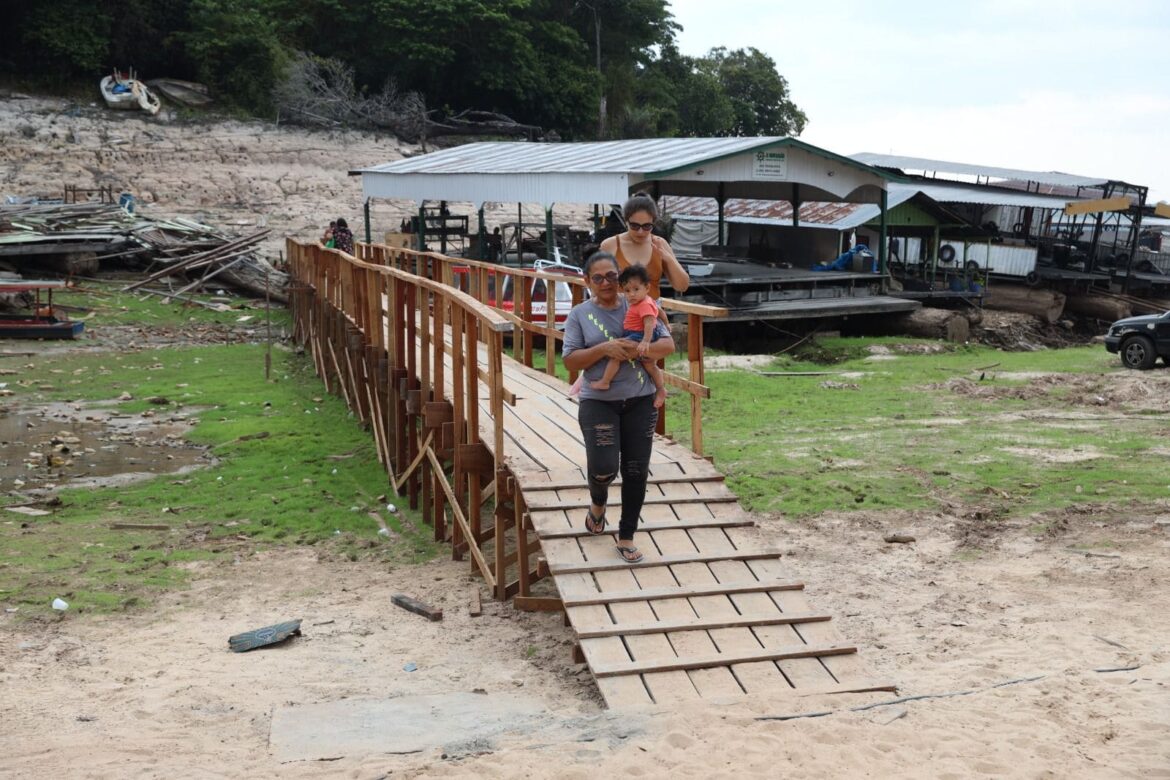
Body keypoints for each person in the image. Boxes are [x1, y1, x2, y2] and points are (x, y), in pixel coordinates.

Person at [562, 252, 675, 564]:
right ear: (587, 282)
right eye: (597, 278)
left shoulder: (640, 303)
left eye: (612, 275)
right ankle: (598, 504)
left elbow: (668, 346)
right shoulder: (579, 315)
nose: (606, 283)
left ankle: (626, 537)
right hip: (599, 402)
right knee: (603, 468)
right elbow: (570, 359)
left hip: (640, 399)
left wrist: (637, 349)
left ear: (621, 277)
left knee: (636, 471)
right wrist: (603, 349)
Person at [589, 264, 666, 409]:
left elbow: (649, 323)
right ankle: (661, 389)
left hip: (639, 336)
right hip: (637, 335)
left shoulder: (643, 305)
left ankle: (605, 381)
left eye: (636, 289)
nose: (631, 294)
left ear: (647, 288)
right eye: (627, 290)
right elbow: (659, 311)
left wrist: (645, 341)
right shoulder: (647, 300)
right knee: (650, 365)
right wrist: (666, 324)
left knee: (616, 354)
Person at [599, 192, 690, 305]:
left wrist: (667, 258)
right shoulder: (610, 245)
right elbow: (598, 286)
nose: (641, 232)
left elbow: (682, 286)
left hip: (651, 316)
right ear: (626, 221)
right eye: (635, 226)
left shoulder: (660, 244)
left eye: (647, 226)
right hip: (618, 314)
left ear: (653, 223)